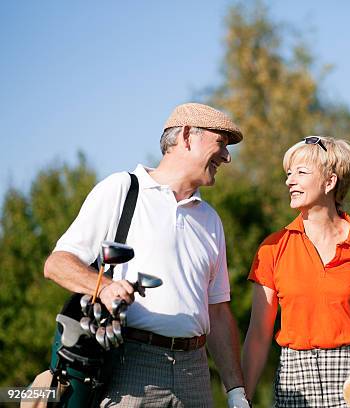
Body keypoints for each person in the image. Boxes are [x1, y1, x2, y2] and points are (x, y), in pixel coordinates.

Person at [44, 103, 251, 407]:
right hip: (132, 366)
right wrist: (103, 287)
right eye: (220, 143)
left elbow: (218, 312)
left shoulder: (210, 219)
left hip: (195, 371)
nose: (227, 156)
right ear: (187, 136)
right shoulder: (122, 189)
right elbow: (57, 264)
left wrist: (236, 392)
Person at [242, 136, 350, 407]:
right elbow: (258, 334)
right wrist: (241, 397)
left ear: (330, 182)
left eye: (301, 173)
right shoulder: (272, 247)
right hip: (294, 383)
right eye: (289, 173)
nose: (289, 181)